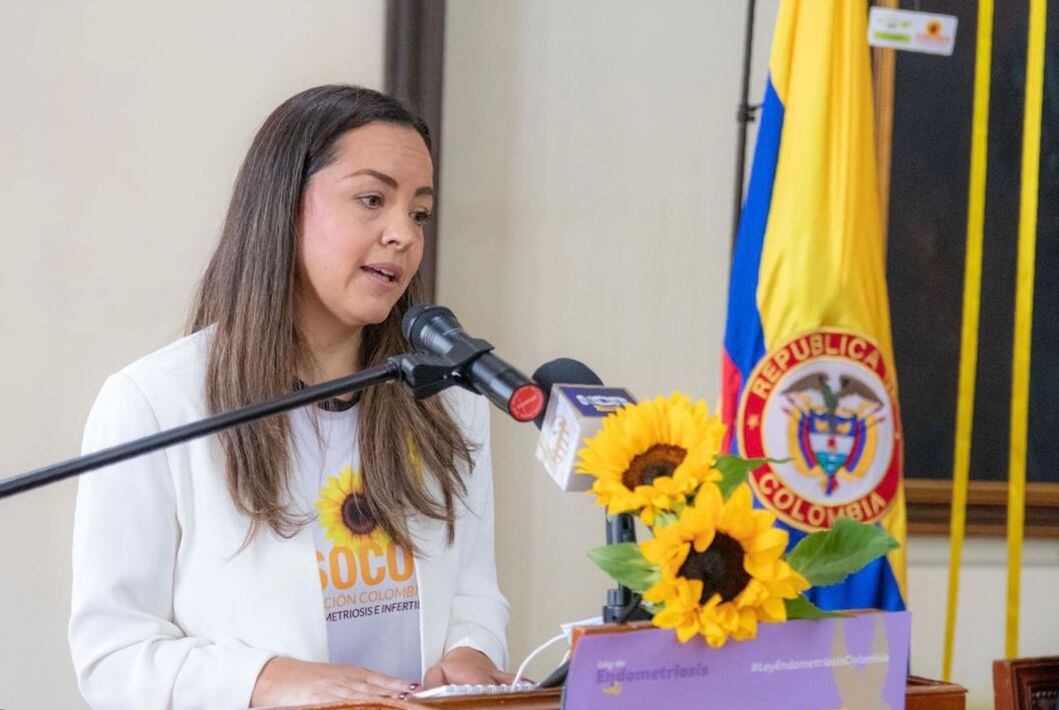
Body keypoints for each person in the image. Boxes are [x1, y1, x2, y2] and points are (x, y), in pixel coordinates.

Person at [68, 85, 512, 709]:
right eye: (371, 199)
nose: (402, 235)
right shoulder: (154, 403)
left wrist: (471, 651)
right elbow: (113, 655)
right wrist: (265, 679)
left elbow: (473, 592)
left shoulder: (446, 398)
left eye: (418, 213)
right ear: (284, 206)